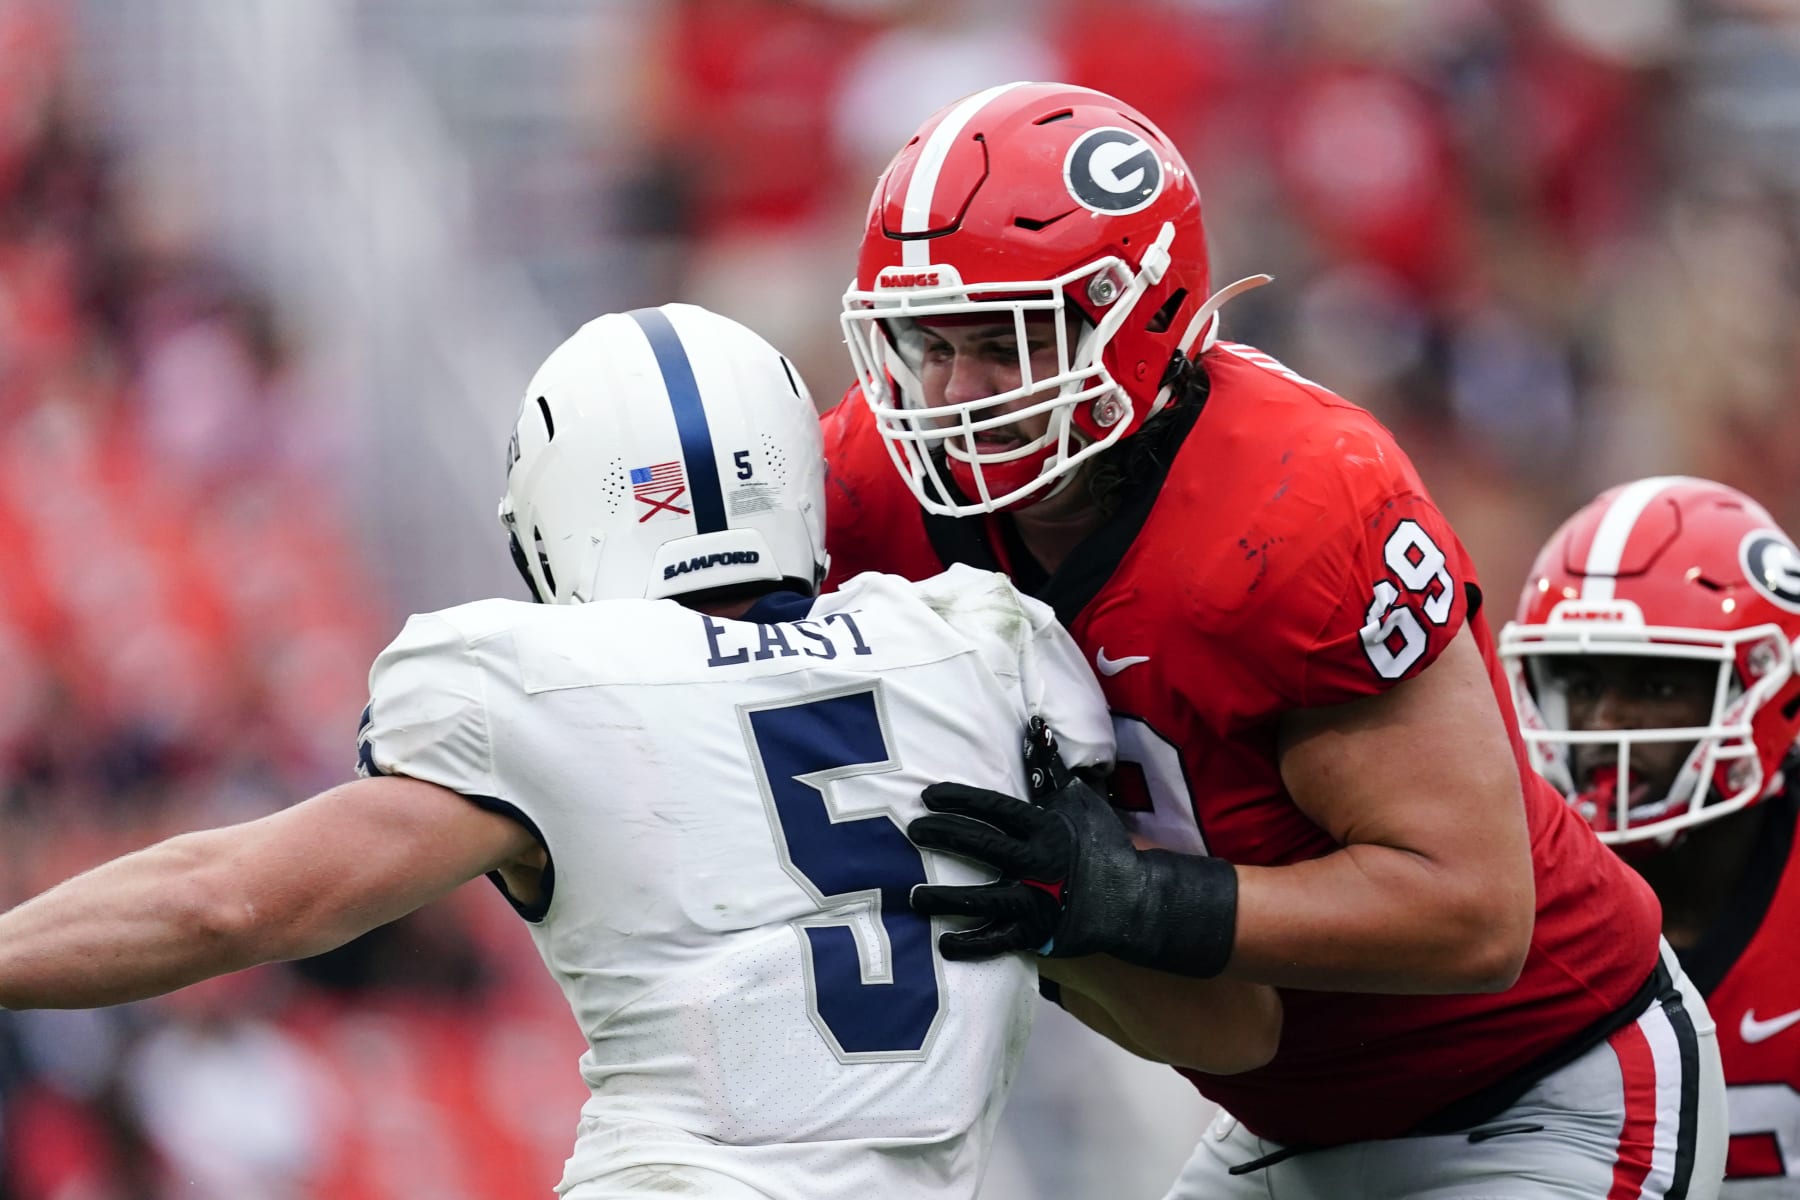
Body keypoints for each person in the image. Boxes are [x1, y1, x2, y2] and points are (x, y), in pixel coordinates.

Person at [0, 302, 1280, 1198]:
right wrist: (1063, 922)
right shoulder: (980, 654)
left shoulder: (556, 688)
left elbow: (230, 902)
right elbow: (1236, 1032)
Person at [824, 80, 1727, 1198]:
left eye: (1005, 343)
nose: (954, 395)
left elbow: (1476, 913)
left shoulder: (1294, 505)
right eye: (925, 340)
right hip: (1283, 1123)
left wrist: (1130, 901)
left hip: (1539, 1093)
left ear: (1136, 317)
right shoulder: (875, 479)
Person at [1500, 476, 1800, 1193]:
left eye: (1657, 686)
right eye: (1578, 682)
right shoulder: (1496, 881)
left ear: (1772, 688)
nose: (1604, 724)